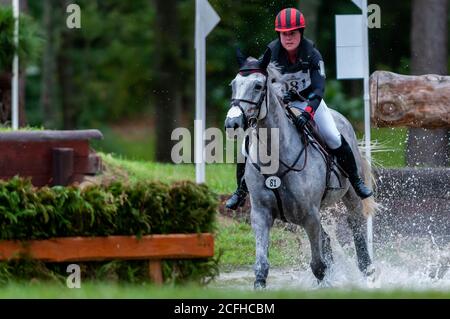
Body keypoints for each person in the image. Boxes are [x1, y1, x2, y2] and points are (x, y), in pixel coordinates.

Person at [226, 7, 373, 210]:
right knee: (246, 145)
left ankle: (356, 182)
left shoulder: (312, 54)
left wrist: (308, 112)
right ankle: (240, 191)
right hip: (281, 105)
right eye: (284, 33)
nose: (288, 38)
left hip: (310, 102)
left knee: (332, 135)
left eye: (292, 33)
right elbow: (259, 80)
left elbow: (319, 88)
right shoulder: (272, 53)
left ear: (300, 32)